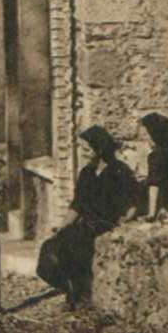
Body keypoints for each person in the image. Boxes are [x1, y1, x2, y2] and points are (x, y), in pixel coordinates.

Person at [35, 125, 140, 308]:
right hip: (85, 224)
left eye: (87, 149)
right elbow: (77, 205)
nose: (83, 153)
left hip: (106, 224)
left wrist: (126, 220)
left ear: (98, 150)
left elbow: (133, 203)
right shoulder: (86, 173)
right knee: (50, 248)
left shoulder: (120, 171)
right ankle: (70, 289)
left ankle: (79, 296)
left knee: (76, 248)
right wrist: (62, 227)